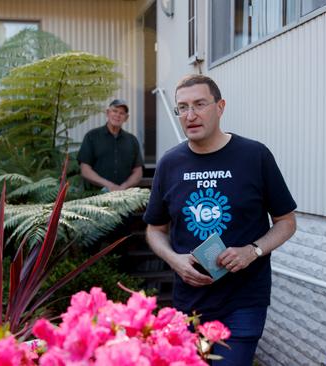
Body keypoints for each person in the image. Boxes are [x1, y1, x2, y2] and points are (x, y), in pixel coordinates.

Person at [143, 74, 297, 366]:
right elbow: (155, 229)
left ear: (220, 106)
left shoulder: (254, 156)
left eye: (200, 104)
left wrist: (253, 250)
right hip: (189, 303)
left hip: (244, 301)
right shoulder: (169, 163)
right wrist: (173, 259)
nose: (191, 115)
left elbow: (286, 221)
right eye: (182, 107)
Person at [77, 99, 143, 191]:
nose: (117, 115)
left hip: (124, 196)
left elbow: (138, 172)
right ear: (107, 113)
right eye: (114, 111)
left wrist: (123, 187)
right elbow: (85, 170)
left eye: (122, 113)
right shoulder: (91, 137)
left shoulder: (132, 140)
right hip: (96, 197)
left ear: (126, 118)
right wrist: (109, 185)